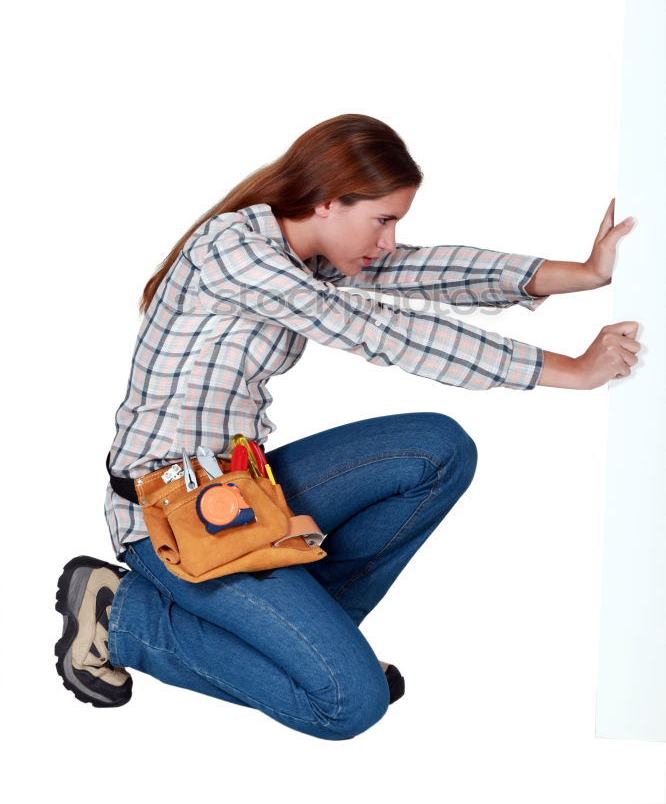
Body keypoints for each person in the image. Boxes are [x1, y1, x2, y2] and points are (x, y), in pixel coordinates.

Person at [54, 113, 641, 739]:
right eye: (383, 219)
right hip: (167, 514)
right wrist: (571, 370)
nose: (389, 238)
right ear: (328, 200)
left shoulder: (300, 252)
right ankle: (124, 617)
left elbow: (419, 269)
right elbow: (376, 330)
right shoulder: (236, 251)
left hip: (240, 493)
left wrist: (581, 273)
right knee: (348, 706)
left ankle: (313, 643)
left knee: (438, 449)